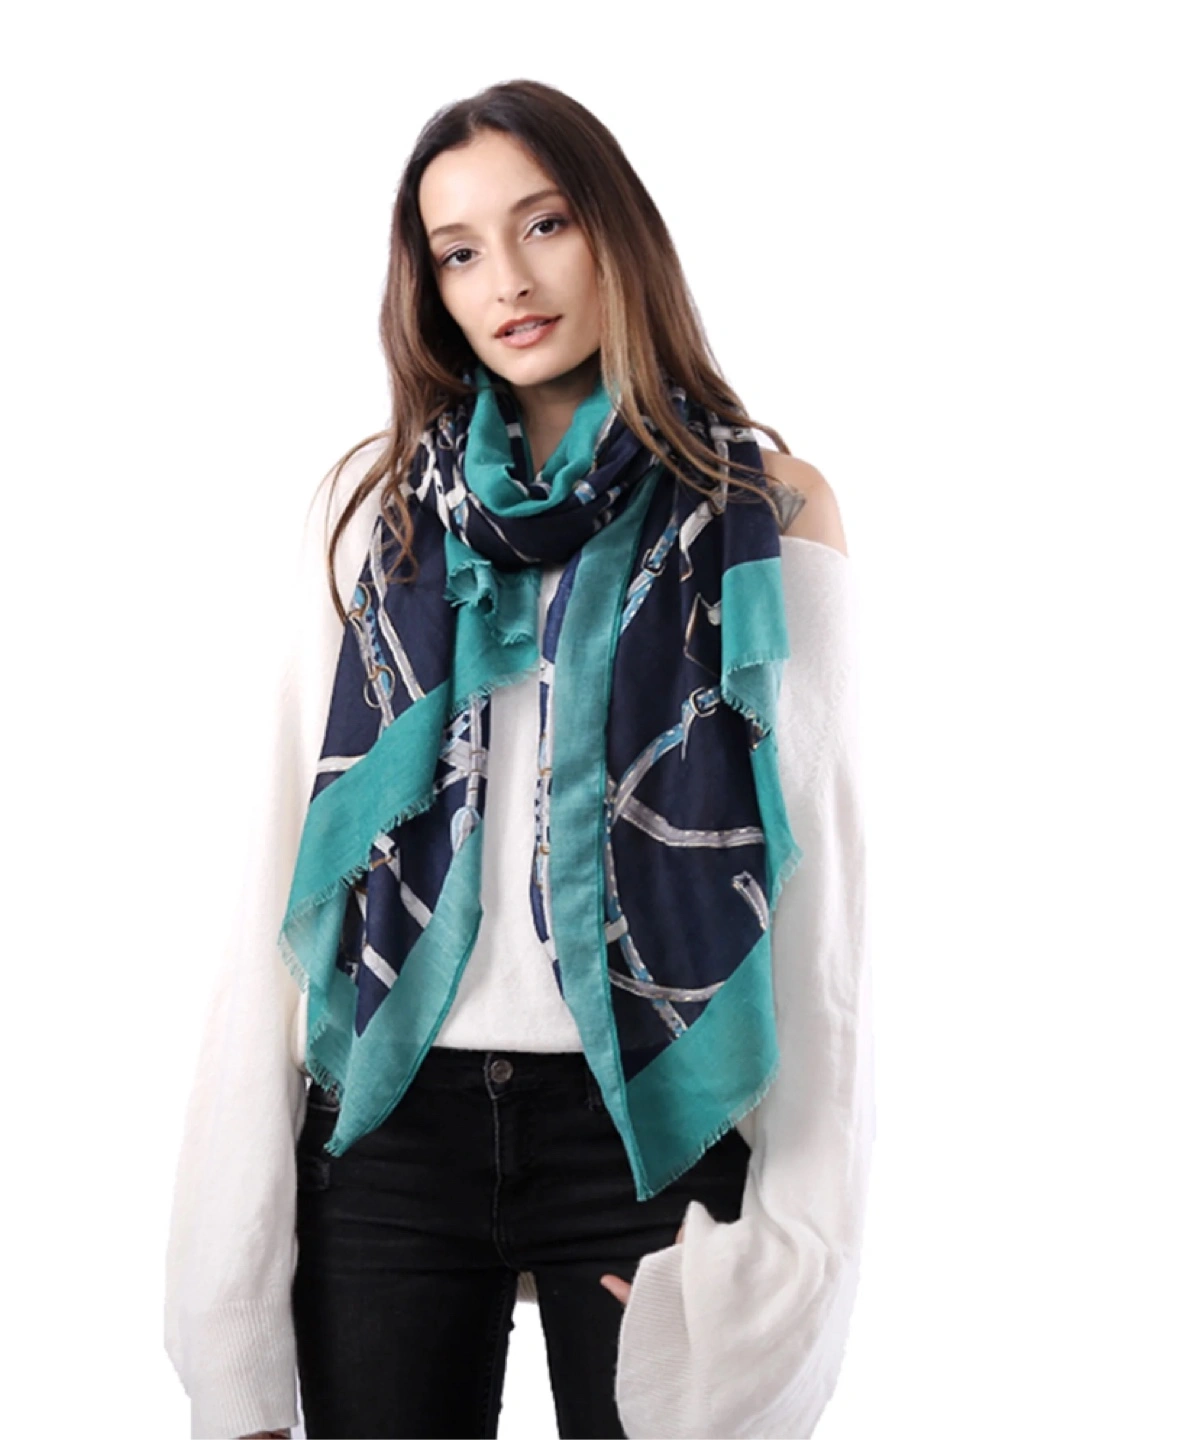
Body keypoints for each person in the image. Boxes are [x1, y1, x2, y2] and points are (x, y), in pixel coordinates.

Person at [164, 78, 874, 1440]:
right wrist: (227, 1332)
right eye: (459, 250)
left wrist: (784, 1273)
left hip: (647, 1133)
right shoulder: (369, 512)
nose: (508, 280)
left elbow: (820, 914)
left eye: (544, 223)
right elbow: (273, 893)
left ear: (616, 231)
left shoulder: (765, 514)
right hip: (389, 1132)